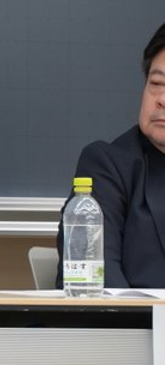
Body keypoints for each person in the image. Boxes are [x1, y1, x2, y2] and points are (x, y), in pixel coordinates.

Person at [58, 21, 165, 288]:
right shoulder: (108, 166)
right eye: (156, 83)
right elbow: (98, 285)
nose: (161, 99)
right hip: (140, 316)